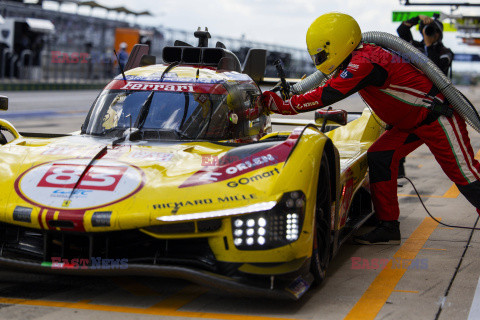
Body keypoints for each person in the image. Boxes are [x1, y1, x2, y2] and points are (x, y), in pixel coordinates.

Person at [262, 12, 480, 245]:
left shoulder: (364, 61)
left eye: (321, 54)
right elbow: (325, 84)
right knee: (380, 156)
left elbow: (328, 93)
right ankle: (388, 226)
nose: (319, 59)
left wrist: (284, 106)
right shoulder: (357, 56)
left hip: (437, 119)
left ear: (335, 43)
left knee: (465, 174)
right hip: (412, 123)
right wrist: (291, 92)